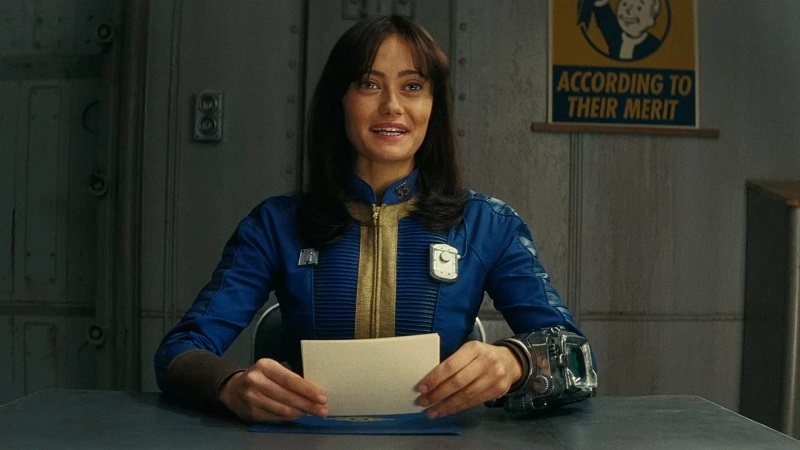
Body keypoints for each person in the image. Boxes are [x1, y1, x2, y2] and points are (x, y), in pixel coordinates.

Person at [154, 14, 595, 423]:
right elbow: (179, 351)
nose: (392, 106)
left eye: (412, 86)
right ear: (340, 101)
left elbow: (578, 359)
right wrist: (229, 384)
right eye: (369, 84)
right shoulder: (275, 225)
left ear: (433, 106)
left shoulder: (488, 225)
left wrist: (517, 360)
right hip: (305, 438)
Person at [581, 0, 663, 61]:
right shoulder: (616, 35)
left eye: (639, 8)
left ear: (651, 20)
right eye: (625, 4)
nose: (628, 11)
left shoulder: (653, 45)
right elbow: (605, 17)